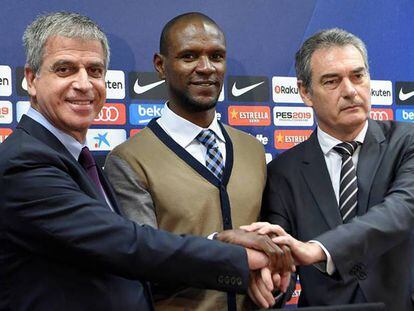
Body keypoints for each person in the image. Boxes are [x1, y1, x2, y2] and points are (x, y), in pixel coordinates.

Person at [0, 12, 292, 311]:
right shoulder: (25, 161)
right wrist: (230, 251)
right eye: (65, 69)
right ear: (31, 80)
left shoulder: (72, 157)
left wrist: (277, 270)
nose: (84, 84)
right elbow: (126, 244)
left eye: (95, 70)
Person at [105, 12, 287, 311]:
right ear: (161, 66)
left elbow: (272, 244)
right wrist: (226, 255)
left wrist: (276, 277)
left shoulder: (253, 150)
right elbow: (141, 268)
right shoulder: (129, 160)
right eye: (189, 56)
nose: (206, 68)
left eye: (216, 56)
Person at [244, 28, 414, 310]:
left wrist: (318, 249)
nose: (350, 91)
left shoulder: (406, 141)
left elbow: (402, 209)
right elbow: (282, 259)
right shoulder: (283, 171)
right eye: (332, 81)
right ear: (305, 93)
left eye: (358, 76)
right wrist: (271, 279)